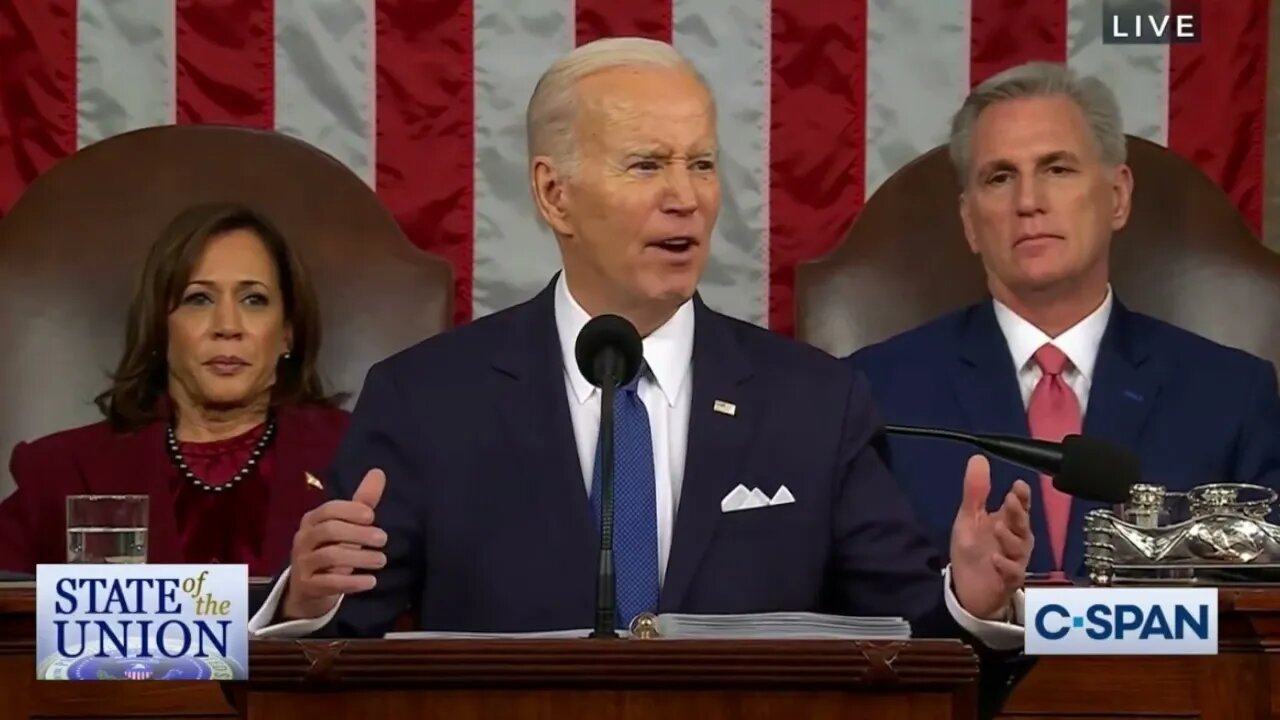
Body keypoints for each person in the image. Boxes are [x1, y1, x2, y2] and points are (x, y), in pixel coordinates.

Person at [249, 38, 1031, 652]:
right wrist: (309, 605)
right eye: (647, 164)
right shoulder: (427, 401)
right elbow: (336, 653)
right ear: (556, 194)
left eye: (701, 164)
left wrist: (970, 601)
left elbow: (914, 645)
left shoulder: (815, 404)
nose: (685, 197)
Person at [847, 62, 1280, 578]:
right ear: (970, 222)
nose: (1028, 203)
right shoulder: (877, 393)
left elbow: (1259, 607)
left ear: (1117, 197)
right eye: (1000, 177)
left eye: (1057, 169)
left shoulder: (1230, 393)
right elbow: (858, 606)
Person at [0, 203, 350, 577]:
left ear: (287, 332)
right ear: (160, 327)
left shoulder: (356, 454)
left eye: (254, 300)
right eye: (198, 299)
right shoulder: (63, 471)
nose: (227, 326)